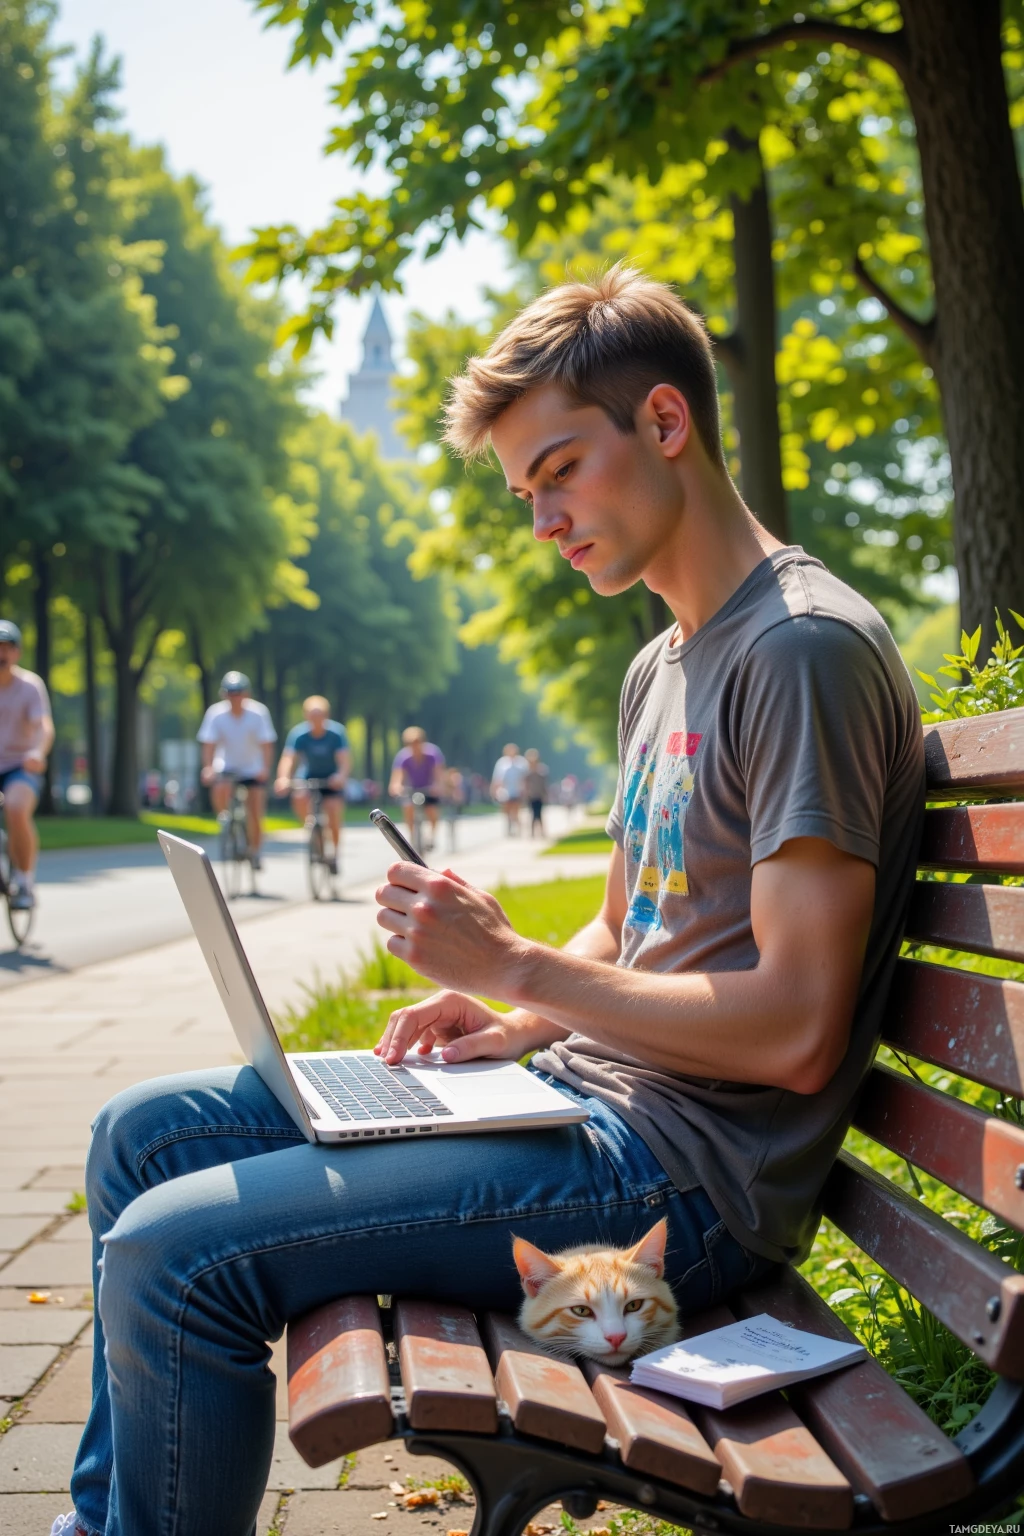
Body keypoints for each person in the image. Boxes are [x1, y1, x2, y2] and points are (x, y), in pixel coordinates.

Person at [58, 267, 925, 1536]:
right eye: (526, 494)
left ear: (666, 425)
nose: (543, 521)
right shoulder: (664, 663)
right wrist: (505, 1016)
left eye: (560, 471)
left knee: (174, 1255)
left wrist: (520, 970)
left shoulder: (798, 654)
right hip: (587, 1110)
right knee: (141, 1138)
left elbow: (794, 1030)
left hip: (681, 1183)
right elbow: (629, 925)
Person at [196, 673, 276, 872]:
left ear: (246, 694)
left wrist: (265, 769)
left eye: (238, 693)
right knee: (219, 785)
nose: (235, 697)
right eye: (230, 693)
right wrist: (207, 767)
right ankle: (225, 819)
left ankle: (255, 851)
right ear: (224, 695)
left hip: (252, 766)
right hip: (227, 763)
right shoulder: (215, 713)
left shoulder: (258, 713)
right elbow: (209, 744)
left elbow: (266, 744)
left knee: (255, 810)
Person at [0, 620, 53, 913]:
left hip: (21, 765)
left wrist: (37, 751)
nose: (1, 655)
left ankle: (24, 880)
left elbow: (44, 726)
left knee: (16, 808)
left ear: (17, 653)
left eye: (6, 648)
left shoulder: (29, 686)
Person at [273, 696, 350, 874]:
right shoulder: (299, 734)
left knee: (333, 811)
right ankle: (312, 829)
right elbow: (288, 759)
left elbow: (344, 761)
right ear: (306, 715)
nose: (316, 719)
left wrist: (340, 776)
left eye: (319, 715)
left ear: (326, 715)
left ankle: (335, 855)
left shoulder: (336, 733)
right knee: (299, 795)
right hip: (308, 776)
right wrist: (283, 778)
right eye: (312, 715)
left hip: (331, 779)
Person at [388, 726, 445, 851]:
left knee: (432, 810)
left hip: (429, 789)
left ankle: (432, 836)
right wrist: (396, 787)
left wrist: (437, 786)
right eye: (410, 744)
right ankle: (413, 837)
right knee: (407, 807)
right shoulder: (403, 757)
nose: (414, 747)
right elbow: (397, 778)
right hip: (412, 789)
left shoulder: (433, 754)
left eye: (417, 743)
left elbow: (438, 775)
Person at [491, 741, 528, 835]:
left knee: (515, 811)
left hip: (517, 791)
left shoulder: (521, 763)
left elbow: (525, 778)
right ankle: (509, 828)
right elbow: (497, 778)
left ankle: (518, 828)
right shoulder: (502, 763)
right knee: (506, 811)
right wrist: (494, 790)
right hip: (505, 791)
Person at [523, 748, 550, 839]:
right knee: (532, 815)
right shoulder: (527, 772)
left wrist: (545, 794)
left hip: (539, 795)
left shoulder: (542, 771)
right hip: (531, 796)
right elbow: (525, 785)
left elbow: (544, 784)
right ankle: (532, 833)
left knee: (540, 814)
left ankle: (542, 832)